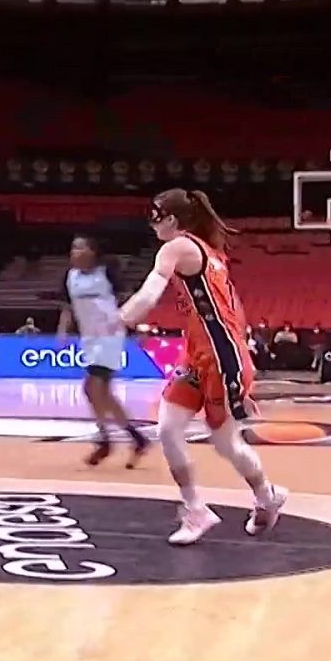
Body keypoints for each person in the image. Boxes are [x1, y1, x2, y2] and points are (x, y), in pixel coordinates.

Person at [118, 188, 286, 545]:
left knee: (226, 444)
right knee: (168, 428)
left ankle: (267, 495)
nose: (151, 225)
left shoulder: (177, 247)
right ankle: (196, 510)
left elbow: (150, 294)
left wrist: (120, 319)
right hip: (198, 355)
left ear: (171, 219)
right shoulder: (208, 251)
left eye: (155, 217)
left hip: (223, 359)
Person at [56, 235, 149, 467]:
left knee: (92, 386)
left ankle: (105, 439)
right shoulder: (70, 276)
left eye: (80, 247)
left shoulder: (106, 272)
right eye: (73, 248)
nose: (74, 252)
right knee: (101, 393)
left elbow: (129, 299)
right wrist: (62, 330)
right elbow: (67, 306)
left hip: (110, 335)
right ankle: (136, 438)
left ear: (92, 251)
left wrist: (138, 325)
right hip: (88, 338)